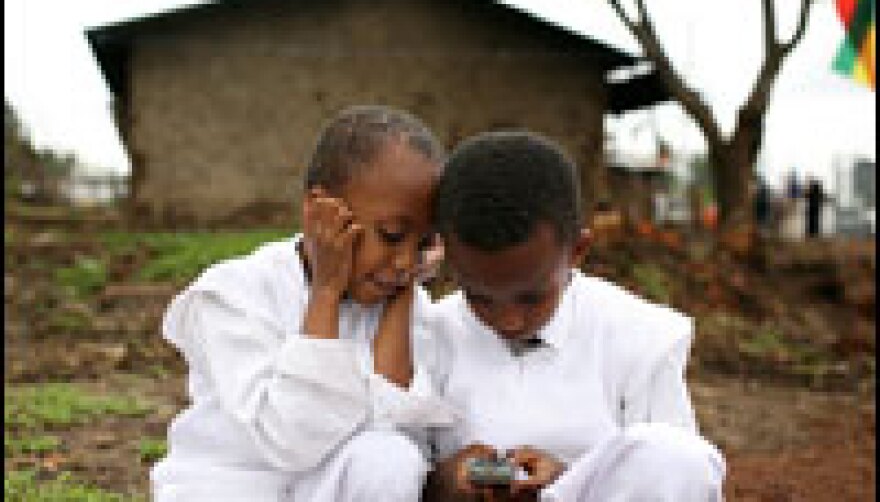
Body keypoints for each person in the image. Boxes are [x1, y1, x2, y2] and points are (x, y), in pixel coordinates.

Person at [150, 105, 456, 502]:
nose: (403, 261)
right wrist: (326, 293)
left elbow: (395, 425)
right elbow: (291, 438)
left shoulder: (406, 301)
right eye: (393, 235)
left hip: (321, 487)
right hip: (233, 487)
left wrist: (405, 290)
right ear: (319, 211)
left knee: (389, 456)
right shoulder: (233, 292)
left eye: (423, 243)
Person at [424, 131, 725, 501]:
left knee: (678, 456)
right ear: (446, 257)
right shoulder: (427, 334)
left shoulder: (638, 335)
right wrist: (443, 482)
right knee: (378, 456)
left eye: (531, 298)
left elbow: (669, 477)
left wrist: (572, 481)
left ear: (578, 251)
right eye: (480, 298)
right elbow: (400, 471)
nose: (509, 321)